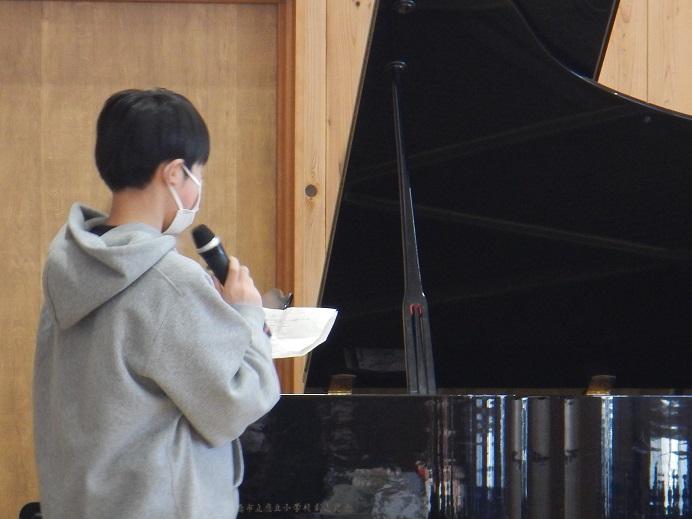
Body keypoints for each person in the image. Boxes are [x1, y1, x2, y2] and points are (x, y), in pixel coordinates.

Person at [33, 88, 281, 518]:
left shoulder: (70, 268)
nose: (198, 186)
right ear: (174, 173)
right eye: (198, 173)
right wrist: (247, 313)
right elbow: (236, 404)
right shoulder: (169, 280)